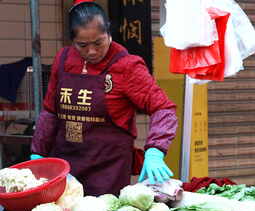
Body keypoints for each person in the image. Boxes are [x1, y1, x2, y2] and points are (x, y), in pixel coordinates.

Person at [31, 1, 178, 196]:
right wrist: (38, 152)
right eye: (82, 45)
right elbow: (50, 111)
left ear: (109, 33)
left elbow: (163, 109)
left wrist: (155, 150)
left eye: (98, 43)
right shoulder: (63, 59)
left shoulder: (127, 66)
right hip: (66, 166)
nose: (91, 51)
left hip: (108, 171)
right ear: (72, 41)